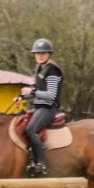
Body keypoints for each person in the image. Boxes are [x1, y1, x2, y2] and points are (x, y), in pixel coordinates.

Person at [19, 38, 64, 176]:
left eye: (43, 53)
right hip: (39, 106)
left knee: (31, 130)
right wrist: (21, 96)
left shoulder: (53, 71)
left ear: (49, 54)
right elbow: (37, 88)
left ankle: (42, 164)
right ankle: (32, 158)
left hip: (49, 107)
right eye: (37, 53)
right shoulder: (40, 68)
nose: (40, 56)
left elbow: (51, 95)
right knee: (20, 122)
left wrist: (32, 92)